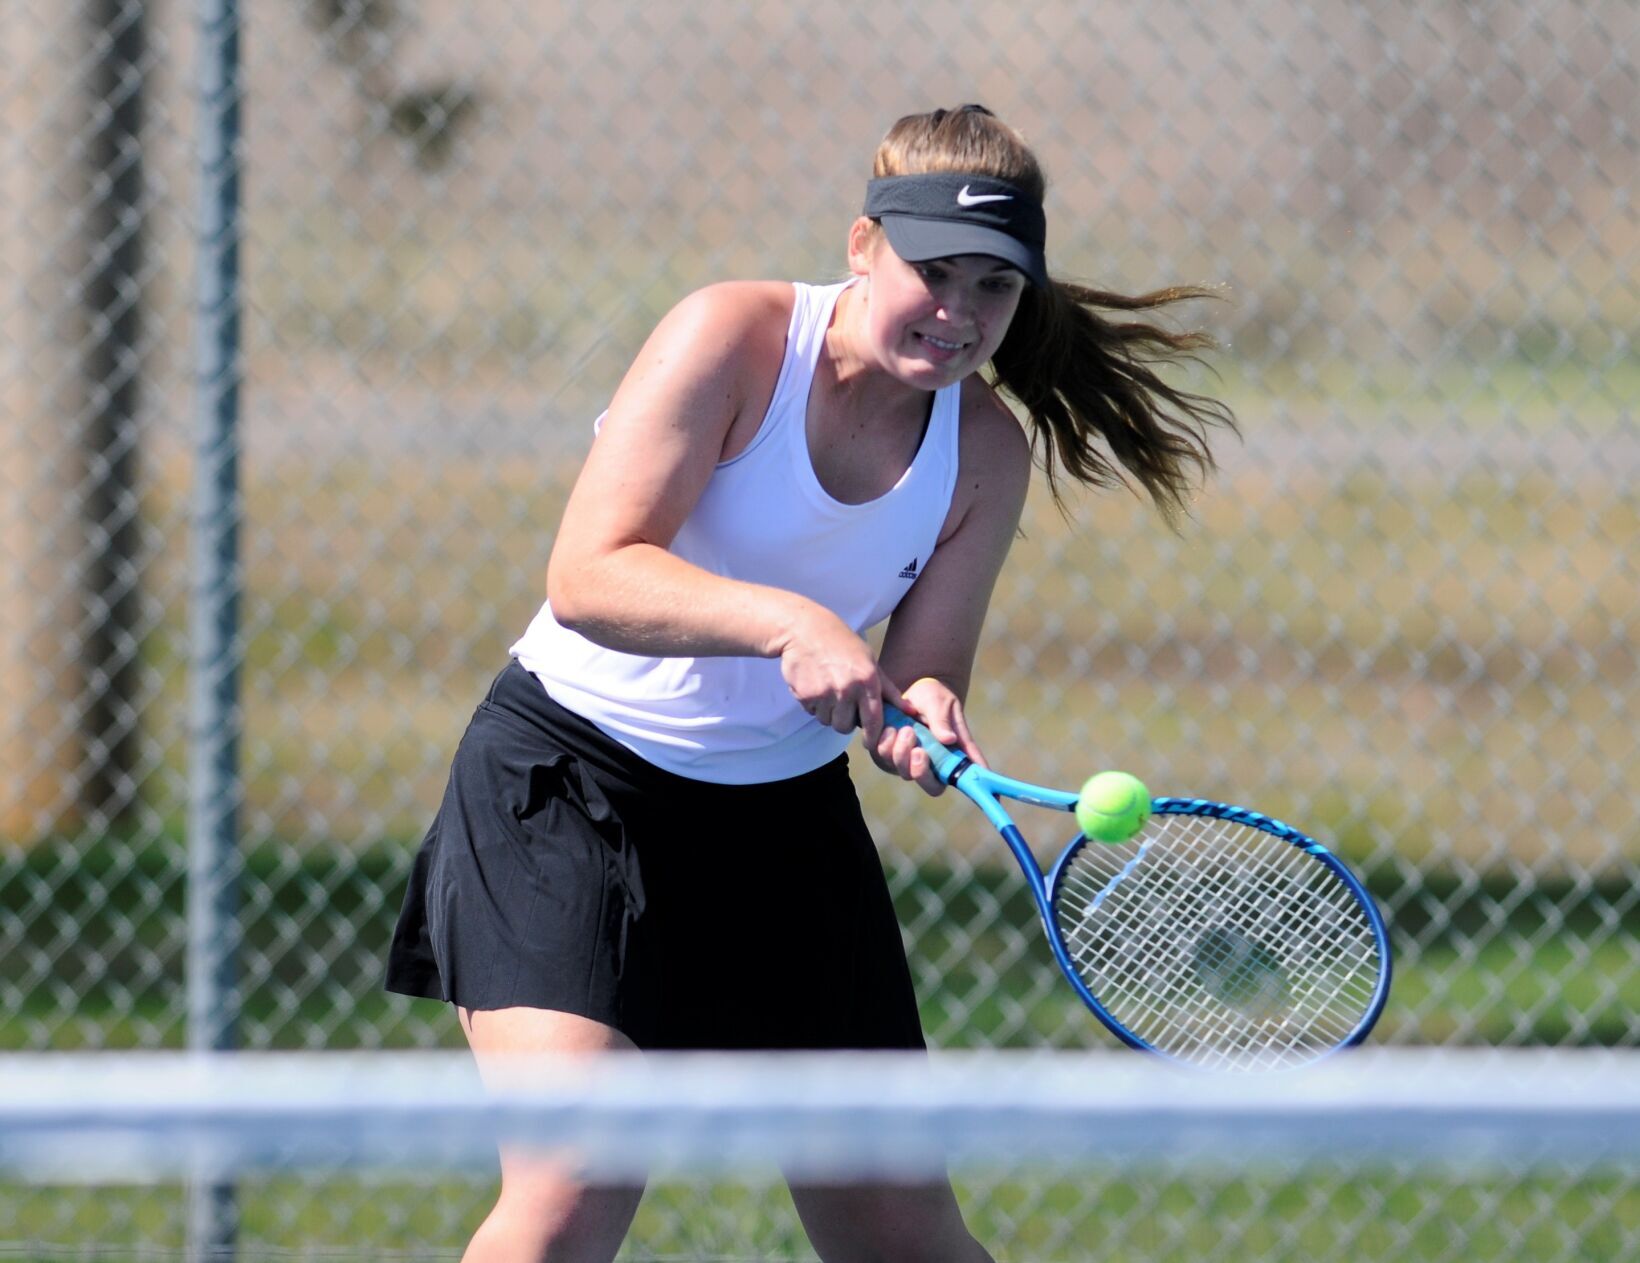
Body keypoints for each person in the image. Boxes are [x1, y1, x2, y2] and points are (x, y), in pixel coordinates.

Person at [386, 103, 1236, 1263]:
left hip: (783, 827)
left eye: (994, 287)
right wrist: (787, 623)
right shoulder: (730, 339)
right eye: (934, 271)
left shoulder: (984, 451)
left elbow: (922, 666)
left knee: (901, 1234)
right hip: (567, 789)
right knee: (568, 1195)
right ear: (859, 244)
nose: (960, 313)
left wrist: (922, 706)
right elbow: (587, 573)